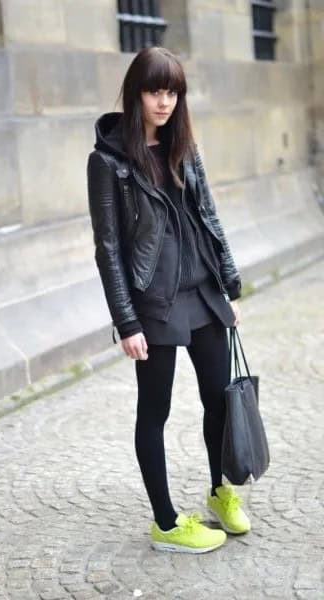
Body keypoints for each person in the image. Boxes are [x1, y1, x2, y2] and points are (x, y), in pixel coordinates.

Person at [87, 46, 251, 554]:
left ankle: (220, 492)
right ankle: (165, 521)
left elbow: (209, 216)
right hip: (153, 304)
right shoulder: (108, 162)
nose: (165, 101)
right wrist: (126, 321)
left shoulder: (185, 147)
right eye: (155, 90)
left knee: (220, 399)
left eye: (173, 91)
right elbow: (109, 248)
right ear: (136, 93)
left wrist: (227, 284)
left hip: (201, 292)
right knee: (153, 410)